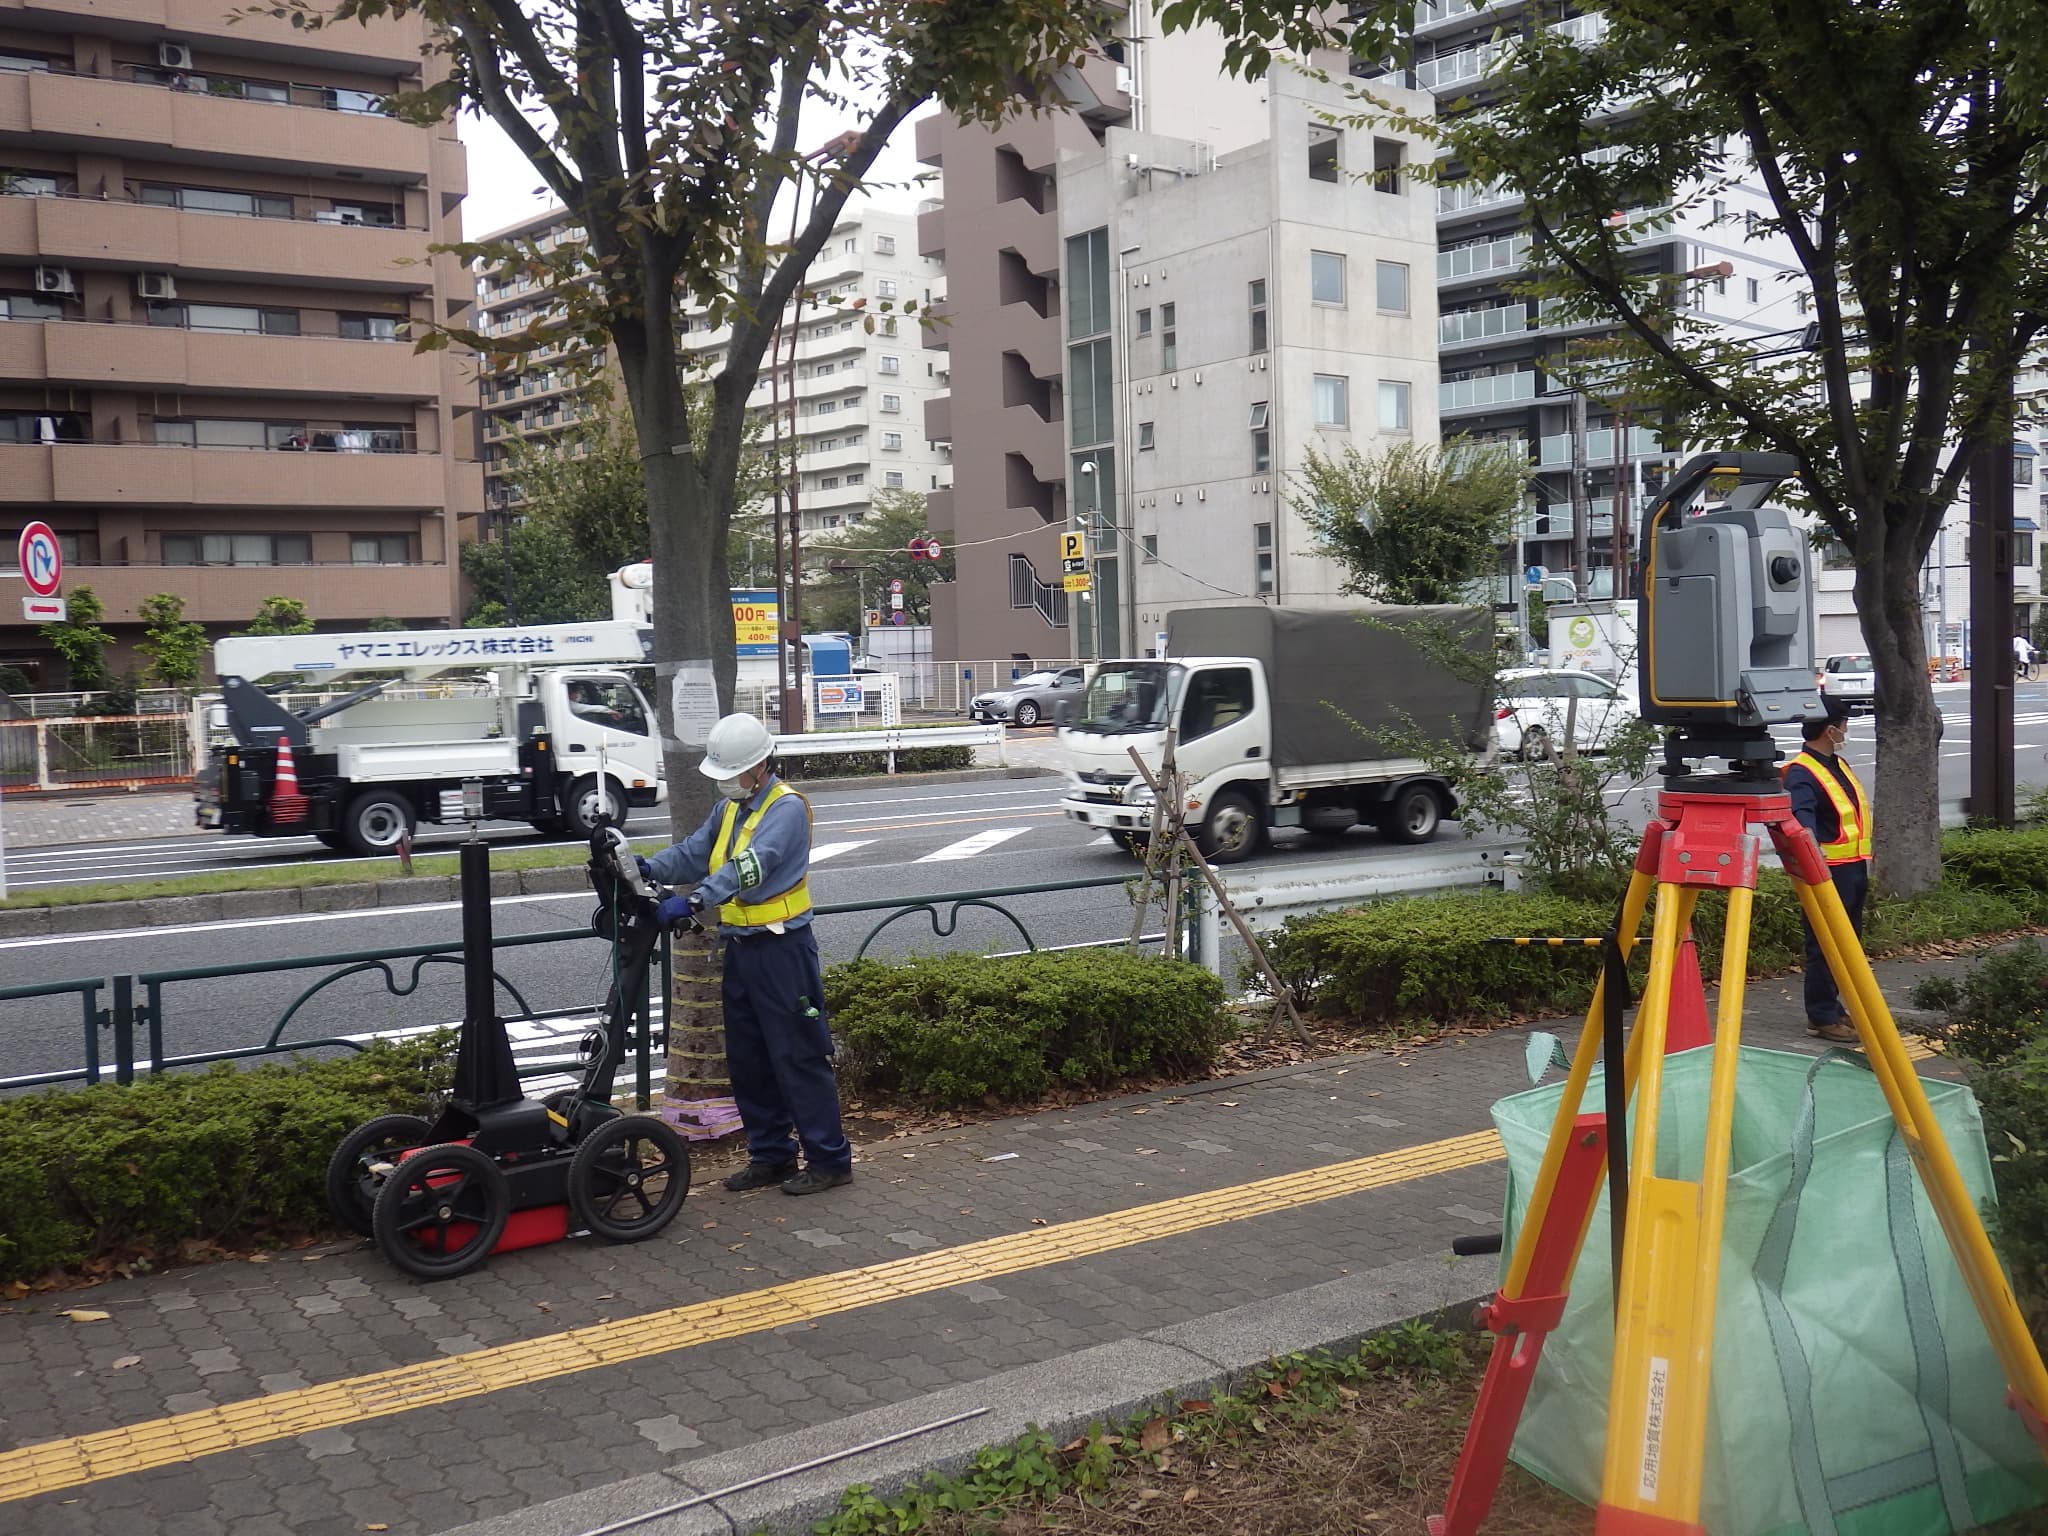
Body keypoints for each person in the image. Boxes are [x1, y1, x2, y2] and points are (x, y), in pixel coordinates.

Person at [642, 713, 852, 1195]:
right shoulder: (731, 809)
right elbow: (695, 851)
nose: (724, 785)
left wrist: (695, 899)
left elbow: (751, 867)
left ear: (757, 767)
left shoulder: (786, 808)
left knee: (798, 1055)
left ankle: (829, 1159)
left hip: (783, 950)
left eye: (729, 774)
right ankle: (771, 1155)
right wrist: (647, 866)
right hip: (740, 948)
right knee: (749, 1058)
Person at [1783, 700, 1871, 1044]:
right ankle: (1820, 1015)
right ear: (1828, 729)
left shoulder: (1837, 764)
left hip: (1852, 867)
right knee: (1824, 943)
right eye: (1843, 724)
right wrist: (1811, 853)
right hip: (1827, 871)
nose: (1846, 730)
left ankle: (1832, 1008)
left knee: (1847, 942)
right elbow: (1800, 818)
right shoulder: (1802, 771)